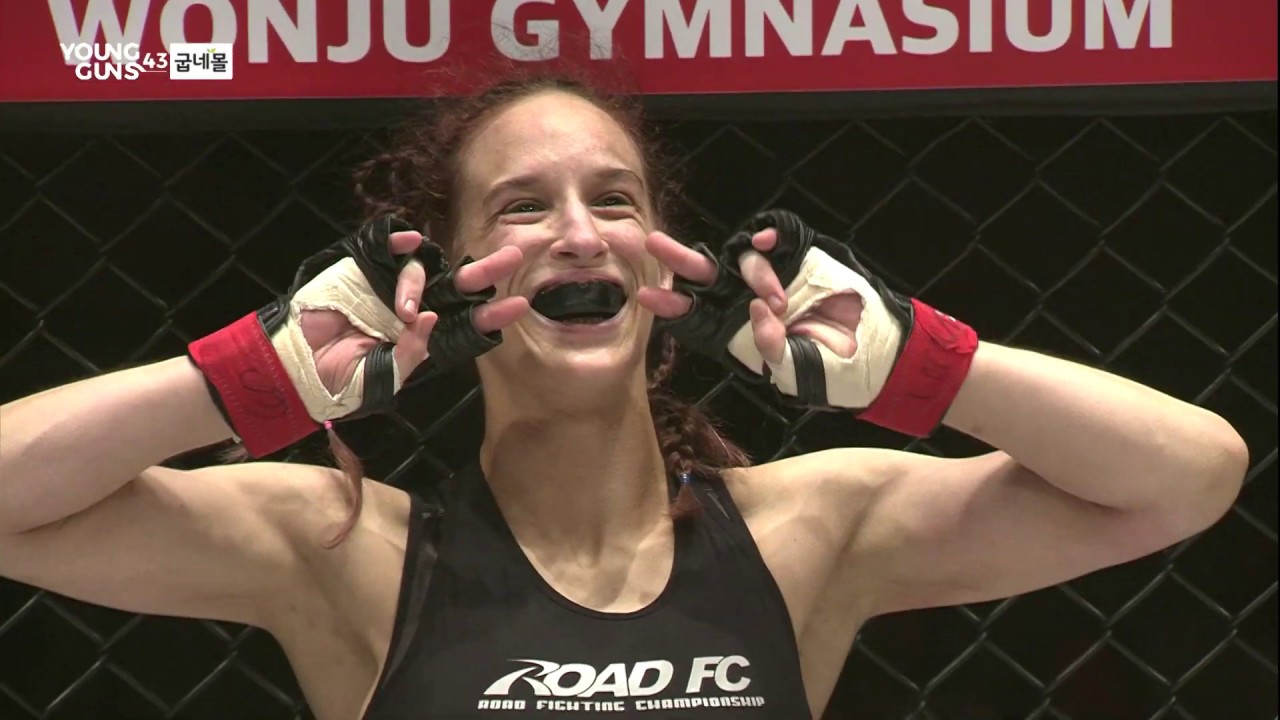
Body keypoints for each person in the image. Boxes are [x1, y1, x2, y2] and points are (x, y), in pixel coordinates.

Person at [0, 72, 1249, 720]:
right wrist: (251, 378)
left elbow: (1185, 477)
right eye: (521, 208)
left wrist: (921, 363)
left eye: (613, 200)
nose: (578, 234)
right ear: (442, 274)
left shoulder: (807, 531)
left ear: (664, 263)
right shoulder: (343, 548)